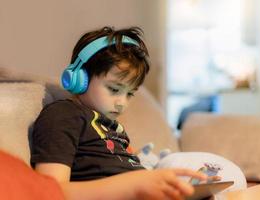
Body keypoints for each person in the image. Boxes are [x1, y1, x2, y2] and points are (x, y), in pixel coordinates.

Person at [29, 26, 207, 200]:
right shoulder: (63, 115)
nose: (122, 103)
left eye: (129, 94)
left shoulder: (114, 129)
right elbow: (51, 192)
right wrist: (135, 186)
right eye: (114, 89)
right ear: (79, 78)